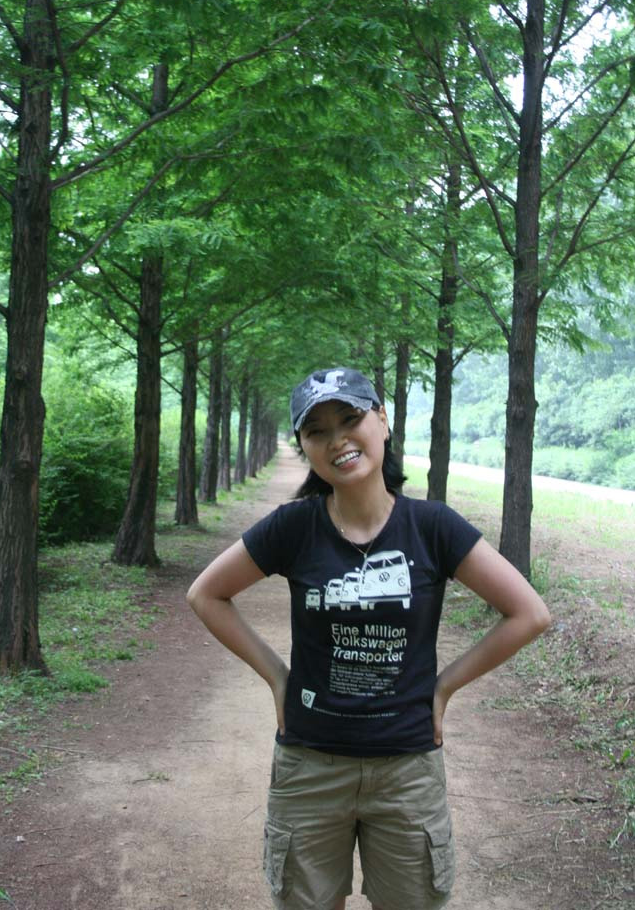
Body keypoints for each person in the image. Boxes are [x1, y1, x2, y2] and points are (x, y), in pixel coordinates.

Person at [187, 366, 551, 910]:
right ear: (305, 447)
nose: (337, 439)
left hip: (407, 771)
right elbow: (206, 595)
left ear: (382, 420)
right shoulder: (293, 527)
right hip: (310, 767)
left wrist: (443, 687)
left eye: (350, 419)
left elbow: (528, 613)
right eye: (317, 431)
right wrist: (278, 678)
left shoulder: (433, 527)